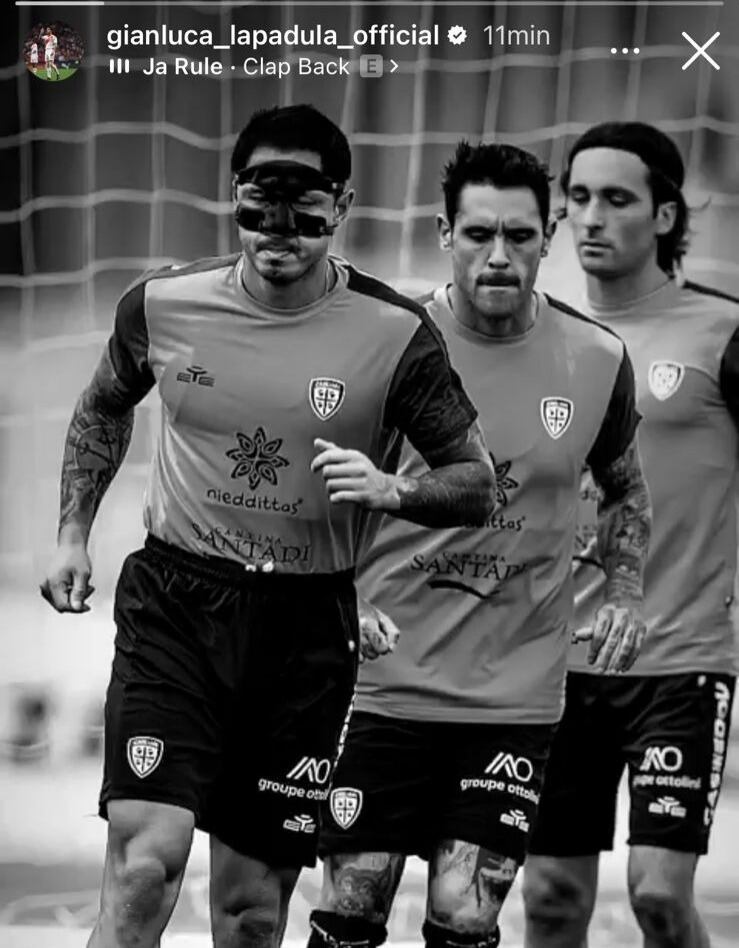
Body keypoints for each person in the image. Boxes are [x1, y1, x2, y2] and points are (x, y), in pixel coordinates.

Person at [39, 104, 496, 948]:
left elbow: (475, 484)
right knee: (146, 866)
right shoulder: (164, 305)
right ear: (236, 198)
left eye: (303, 210)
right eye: (258, 206)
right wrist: (72, 533)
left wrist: (391, 490)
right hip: (177, 606)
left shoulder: (396, 334)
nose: (277, 231)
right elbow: (104, 404)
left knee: (251, 913)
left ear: (341, 206)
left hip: (306, 631)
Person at [308, 141, 650, 948]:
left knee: (465, 916)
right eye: (477, 234)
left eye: (520, 236)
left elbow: (626, 487)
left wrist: (627, 592)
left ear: (549, 236)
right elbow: (312, 492)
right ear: (442, 232)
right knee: (352, 910)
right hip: (381, 688)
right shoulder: (386, 344)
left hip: (513, 700)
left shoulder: (597, 358)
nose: (498, 256)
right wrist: (340, 597)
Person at [524, 122, 739, 948]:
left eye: (615, 199)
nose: (589, 217)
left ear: (663, 215)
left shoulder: (721, 334)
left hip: (678, 659)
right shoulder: (533, 333)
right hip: (555, 664)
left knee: (656, 894)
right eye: (576, 198)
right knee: (547, 897)